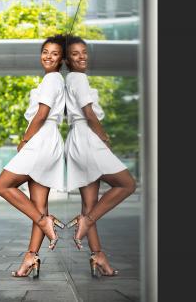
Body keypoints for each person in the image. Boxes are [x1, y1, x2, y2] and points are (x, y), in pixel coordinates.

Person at [63, 35, 137, 277]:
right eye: (75, 53)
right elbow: (88, 112)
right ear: (67, 58)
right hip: (87, 137)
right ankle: (87, 221)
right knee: (127, 183)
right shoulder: (79, 78)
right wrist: (104, 137)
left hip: (76, 138)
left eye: (84, 51)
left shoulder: (70, 79)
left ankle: (98, 256)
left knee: (89, 204)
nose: (82, 56)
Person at [0, 35, 67, 278]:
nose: (48, 56)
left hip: (41, 139)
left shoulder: (51, 79)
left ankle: (44, 221)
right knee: (39, 204)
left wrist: (25, 140)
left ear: (62, 59)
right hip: (50, 139)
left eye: (54, 53)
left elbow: (42, 113)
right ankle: (30, 258)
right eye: (45, 51)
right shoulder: (56, 80)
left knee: (3, 184)